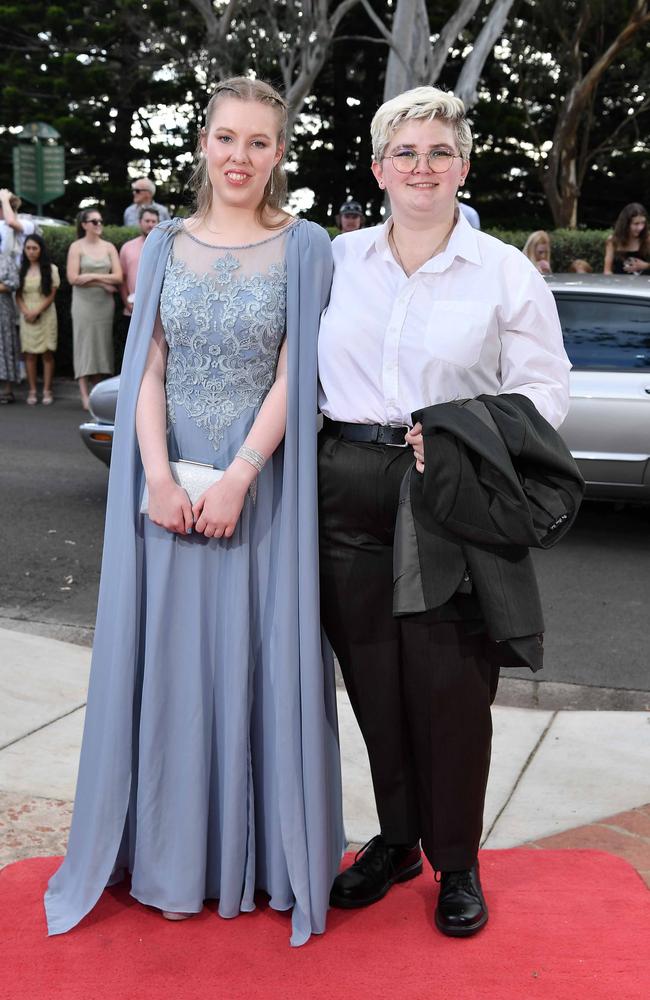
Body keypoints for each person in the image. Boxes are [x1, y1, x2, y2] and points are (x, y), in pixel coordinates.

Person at [44, 76, 343, 948]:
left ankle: (260, 864)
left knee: (259, 666)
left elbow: (301, 372)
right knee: (171, 675)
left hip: (262, 497)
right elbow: (149, 367)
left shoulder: (308, 245)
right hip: (168, 497)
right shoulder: (166, 241)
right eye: (226, 139)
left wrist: (242, 474)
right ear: (202, 144)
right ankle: (174, 861)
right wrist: (158, 479)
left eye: (259, 142)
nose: (240, 157)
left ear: (280, 154)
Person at [317, 86, 571, 938]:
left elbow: (545, 394)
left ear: (463, 164)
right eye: (405, 152)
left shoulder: (504, 271)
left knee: (451, 685)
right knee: (374, 682)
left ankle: (456, 862)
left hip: (447, 492)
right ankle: (396, 842)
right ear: (381, 166)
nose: (421, 167)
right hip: (346, 477)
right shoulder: (337, 261)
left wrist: (465, 439)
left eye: (439, 152)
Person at [67, 207, 122, 409]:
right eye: (94, 222)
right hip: (83, 304)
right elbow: (73, 278)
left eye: (100, 221)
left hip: (104, 305)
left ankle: (97, 390)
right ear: (84, 225)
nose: (99, 225)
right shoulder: (76, 247)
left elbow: (118, 277)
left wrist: (90, 276)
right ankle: (83, 394)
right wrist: (101, 283)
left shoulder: (108, 247)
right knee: (83, 344)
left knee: (100, 346)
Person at [16, 234, 59, 405]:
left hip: (46, 314)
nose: (31, 252)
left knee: (47, 354)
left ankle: (47, 390)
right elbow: (18, 295)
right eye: (28, 248)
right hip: (26, 315)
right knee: (29, 355)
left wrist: (37, 311)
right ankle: (32, 390)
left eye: (35, 248)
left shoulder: (51, 269)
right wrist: (26, 311)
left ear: (41, 249)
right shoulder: (21, 269)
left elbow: (52, 294)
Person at [119, 205, 159, 335]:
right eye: (147, 221)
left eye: (154, 221)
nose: (150, 224)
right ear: (140, 222)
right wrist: (126, 303)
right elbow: (122, 279)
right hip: (132, 309)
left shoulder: (164, 248)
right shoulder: (127, 247)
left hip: (157, 312)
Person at [603, 203, 650, 275]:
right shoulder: (613, 241)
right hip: (620, 284)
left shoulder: (647, 239)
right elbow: (607, 271)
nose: (641, 227)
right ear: (626, 224)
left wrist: (646, 266)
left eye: (643, 223)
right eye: (636, 224)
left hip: (644, 285)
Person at [0, 250, 19, 402]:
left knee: (5, 346)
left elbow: (14, 282)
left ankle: (7, 389)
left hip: (3, 311)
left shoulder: (6, 259)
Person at [0, 189, 36, 265]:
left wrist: (4, 200)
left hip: (20, 272)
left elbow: (11, 222)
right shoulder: (1, 225)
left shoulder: (27, 223)